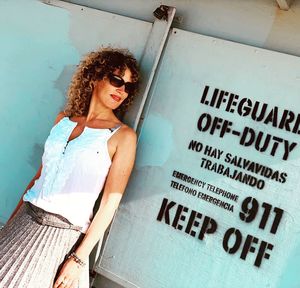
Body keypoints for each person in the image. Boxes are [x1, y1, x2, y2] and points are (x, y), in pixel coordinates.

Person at [0, 47, 140, 288]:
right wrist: (8, 226)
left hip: (60, 236)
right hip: (23, 221)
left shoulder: (122, 136)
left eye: (129, 86)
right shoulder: (63, 121)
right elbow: (38, 178)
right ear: (96, 76)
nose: (122, 90)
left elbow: (109, 204)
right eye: (117, 80)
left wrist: (78, 258)